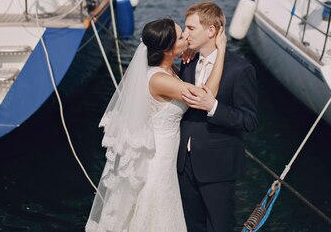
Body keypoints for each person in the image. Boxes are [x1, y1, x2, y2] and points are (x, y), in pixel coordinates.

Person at [86, 17, 226, 232]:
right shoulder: (158, 80)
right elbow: (207, 95)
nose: (187, 37)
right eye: (181, 37)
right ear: (168, 49)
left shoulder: (169, 71)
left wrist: (186, 55)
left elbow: (178, 79)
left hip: (166, 155)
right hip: (157, 159)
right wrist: (221, 51)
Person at [178, 1, 259, 232]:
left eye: (191, 28)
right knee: (191, 226)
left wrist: (213, 107)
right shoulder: (187, 61)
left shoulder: (240, 69)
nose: (185, 34)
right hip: (184, 162)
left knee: (219, 226)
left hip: (217, 166)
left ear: (211, 31)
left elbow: (250, 120)